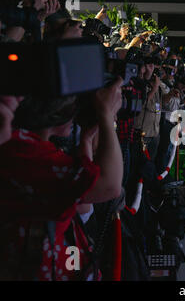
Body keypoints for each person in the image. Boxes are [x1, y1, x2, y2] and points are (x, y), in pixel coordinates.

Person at [0, 76, 124, 280]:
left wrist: (86, 139)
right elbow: (109, 186)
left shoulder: (33, 150)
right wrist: (106, 114)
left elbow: (83, 204)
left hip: (61, 263)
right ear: (53, 111)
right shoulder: (26, 153)